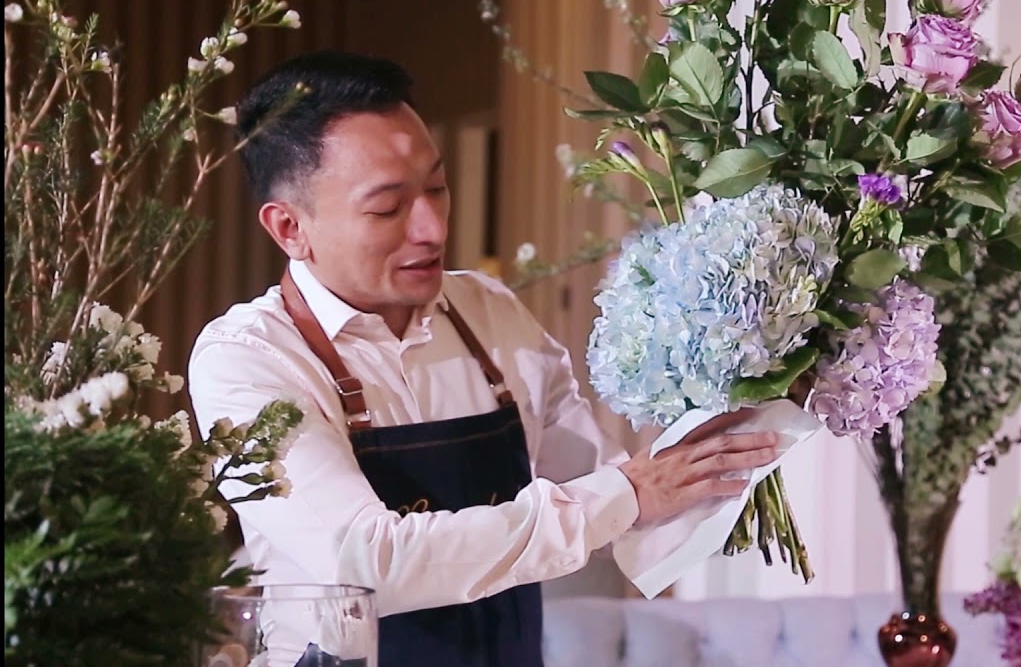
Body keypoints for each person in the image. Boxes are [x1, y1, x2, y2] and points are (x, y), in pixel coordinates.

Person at [187, 50, 779, 667]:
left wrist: (753, 405)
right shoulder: (246, 360)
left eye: (437, 189)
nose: (431, 229)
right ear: (289, 228)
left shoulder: (489, 312)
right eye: (387, 208)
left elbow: (606, 497)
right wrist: (622, 497)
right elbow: (365, 562)